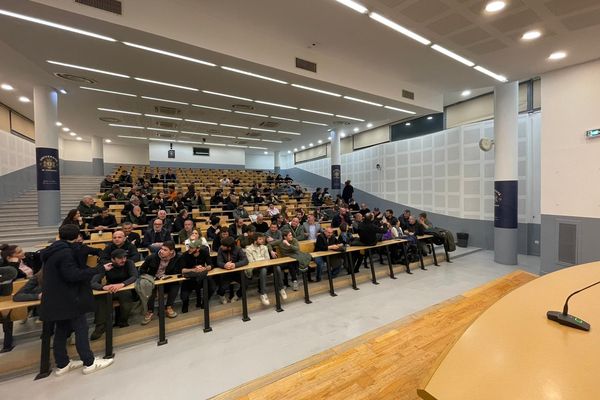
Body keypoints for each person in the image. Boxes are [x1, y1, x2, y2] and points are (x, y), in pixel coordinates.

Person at [38, 224, 114, 375]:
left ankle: (63, 364)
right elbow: (73, 275)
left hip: (55, 297)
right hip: (68, 298)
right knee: (81, 328)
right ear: (77, 236)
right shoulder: (66, 253)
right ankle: (89, 362)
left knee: (61, 330)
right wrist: (100, 269)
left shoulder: (53, 250)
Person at [90, 249, 138, 340]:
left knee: (126, 295)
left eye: (124, 257)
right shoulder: (105, 266)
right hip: (110, 288)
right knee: (100, 297)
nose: (123, 260)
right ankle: (100, 326)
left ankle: (123, 321)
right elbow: (92, 282)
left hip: (124, 287)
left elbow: (134, 276)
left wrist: (121, 284)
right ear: (112, 259)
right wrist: (103, 287)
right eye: (120, 258)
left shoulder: (129, 263)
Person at [138, 241, 182, 324]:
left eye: (165, 250)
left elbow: (179, 270)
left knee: (175, 285)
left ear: (171, 251)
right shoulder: (152, 257)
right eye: (161, 249)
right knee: (150, 288)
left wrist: (167, 276)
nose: (162, 251)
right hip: (153, 280)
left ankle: (168, 307)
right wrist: (149, 277)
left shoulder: (178, 258)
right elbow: (142, 270)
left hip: (167, 279)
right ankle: (150, 311)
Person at [245, 233, 287, 305]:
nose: (262, 241)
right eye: (260, 239)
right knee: (263, 270)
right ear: (255, 241)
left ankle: (281, 289)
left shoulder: (264, 247)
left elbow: (267, 259)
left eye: (262, 239)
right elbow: (252, 262)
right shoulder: (248, 249)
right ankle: (263, 294)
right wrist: (262, 260)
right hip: (254, 269)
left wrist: (260, 260)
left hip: (265, 266)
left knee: (277, 267)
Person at [180, 240, 213, 313]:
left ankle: (204, 302)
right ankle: (185, 304)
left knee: (212, 287)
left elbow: (211, 265)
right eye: (189, 247)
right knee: (184, 296)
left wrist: (204, 268)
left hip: (201, 276)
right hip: (189, 278)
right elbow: (182, 270)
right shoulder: (185, 255)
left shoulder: (204, 253)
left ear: (198, 249)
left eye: (192, 247)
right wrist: (194, 269)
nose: (189, 249)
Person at [215, 236, 248, 304]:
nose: (221, 246)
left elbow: (245, 260)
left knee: (245, 283)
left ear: (229, 247)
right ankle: (221, 295)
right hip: (225, 272)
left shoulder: (238, 249)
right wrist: (224, 265)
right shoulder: (220, 249)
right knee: (222, 287)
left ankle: (237, 296)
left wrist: (235, 265)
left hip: (236, 272)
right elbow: (218, 262)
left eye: (223, 246)